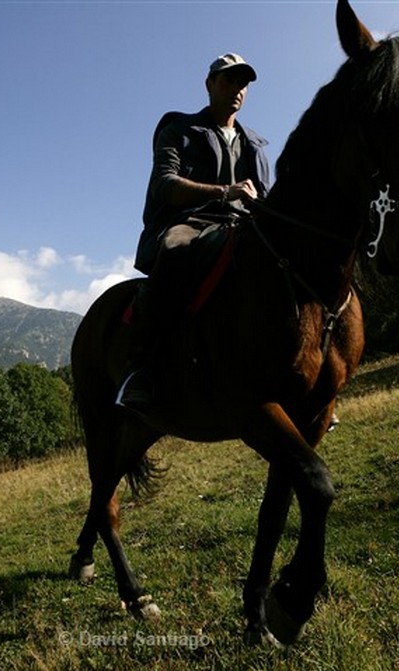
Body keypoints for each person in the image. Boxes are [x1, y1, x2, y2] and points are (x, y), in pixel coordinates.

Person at [117, 53, 272, 411]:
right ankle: (140, 368)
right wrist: (224, 192)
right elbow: (164, 184)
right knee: (174, 248)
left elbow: (264, 196)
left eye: (243, 83)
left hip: (244, 224)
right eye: (228, 80)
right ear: (210, 84)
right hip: (192, 222)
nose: (237, 89)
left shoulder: (256, 143)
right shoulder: (179, 129)